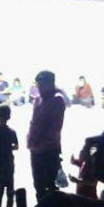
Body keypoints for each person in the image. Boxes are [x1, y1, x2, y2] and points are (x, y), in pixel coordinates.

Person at [28, 70, 66, 199]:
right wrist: (30, 140)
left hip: (49, 150)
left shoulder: (57, 100)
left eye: (41, 84)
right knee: (38, 184)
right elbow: (33, 122)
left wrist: (43, 144)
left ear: (50, 84)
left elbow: (55, 127)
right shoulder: (38, 99)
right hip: (35, 148)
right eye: (38, 84)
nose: (39, 87)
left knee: (50, 184)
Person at [0, 105, 18, 207]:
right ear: (9, 116)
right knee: (10, 186)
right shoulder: (12, 132)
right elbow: (16, 146)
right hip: (9, 161)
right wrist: (8, 147)